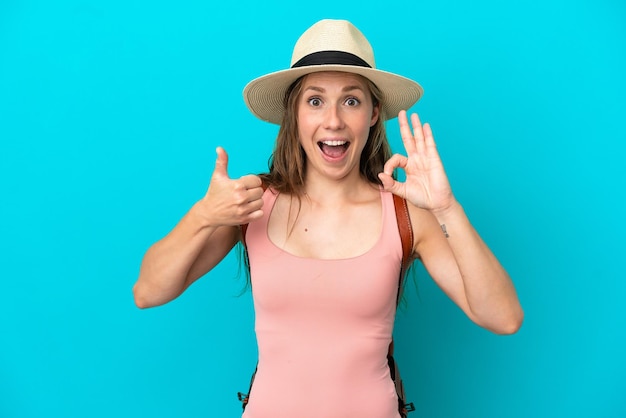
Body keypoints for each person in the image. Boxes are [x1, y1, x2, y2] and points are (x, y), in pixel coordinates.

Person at [133, 19, 523, 418]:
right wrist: (202, 215)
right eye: (315, 101)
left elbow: (504, 317)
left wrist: (446, 209)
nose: (333, 120)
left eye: (351, 100)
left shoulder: (405, 215)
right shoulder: (251, 206)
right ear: (295, 115)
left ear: (373, 113)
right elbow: (148, 291)